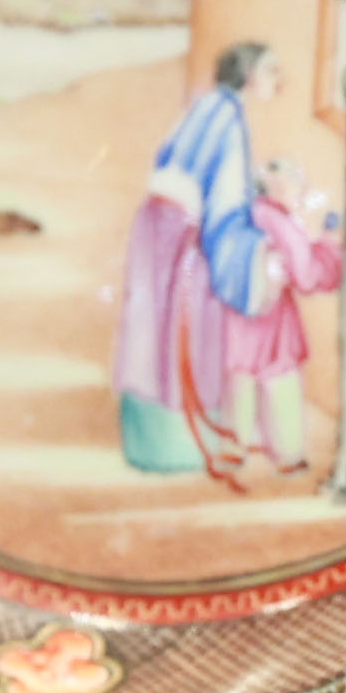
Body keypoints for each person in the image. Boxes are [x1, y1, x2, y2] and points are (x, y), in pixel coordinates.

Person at [115, 44, 279, 477]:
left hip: (157, 229)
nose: (277, 80)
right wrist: (252, 246)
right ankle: (179, 448)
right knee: (187, 333)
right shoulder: (229, 118)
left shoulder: (206, 107)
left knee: (150, 329)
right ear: (249, 75)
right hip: (187, 237)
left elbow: (176, 162)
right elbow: (225, 207)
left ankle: (146, 440)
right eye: (270, 71)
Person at [212, 158, 345, 474]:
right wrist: (330, 242)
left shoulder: (242, 216)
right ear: (278, 187)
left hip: (236, 316)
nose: (302, 191)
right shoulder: (280, 222)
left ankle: (232, 448)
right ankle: (287, 455)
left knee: (238, 379)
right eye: (297, 183)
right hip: (273, 318)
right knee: (280, 380)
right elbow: (307, 276)